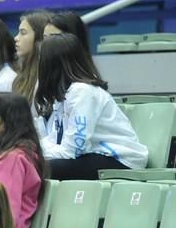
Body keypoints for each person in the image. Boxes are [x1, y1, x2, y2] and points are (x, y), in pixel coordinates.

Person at [35, 34, 147, 180]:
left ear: (50, 64)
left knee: (43, 169)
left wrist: (33, 154)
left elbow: (71, 151)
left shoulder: (82, 92)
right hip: (94, 154)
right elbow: (55, 140)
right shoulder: (64, 94)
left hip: (122, 160)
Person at [12, 11, 51, 105]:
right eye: (18, 32)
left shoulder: (47, 79)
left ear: (40, 38)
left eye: (23, 33)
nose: (16, 38)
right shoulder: (20, 77)